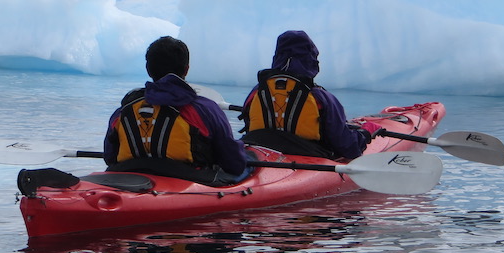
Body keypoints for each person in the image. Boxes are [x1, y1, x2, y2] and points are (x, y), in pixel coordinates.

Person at [104, 36, 249, 184]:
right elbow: (234, 164)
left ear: (148, 70)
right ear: (186, 69)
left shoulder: (122, 112)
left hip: (129, 178)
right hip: (190, 181)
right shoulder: (205, 109)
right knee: (247, 169)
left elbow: (110, 157)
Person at [240, 30, 381, 159]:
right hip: (308, 156)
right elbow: (348, 148)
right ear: (310, 58)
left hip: (259, 153)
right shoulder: (321, 98)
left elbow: (249, 124)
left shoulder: (256, 93)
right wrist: (366, 133)